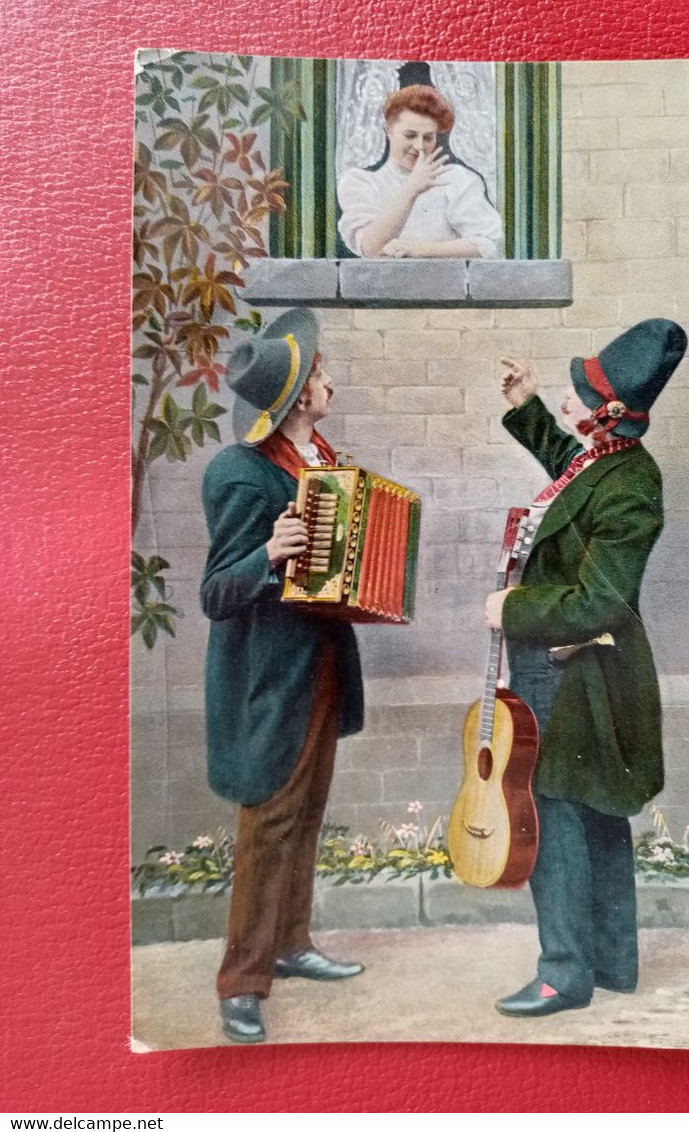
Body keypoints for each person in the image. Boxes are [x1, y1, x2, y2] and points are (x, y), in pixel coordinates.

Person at [485, 319, 687, 1017]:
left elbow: (599, 600)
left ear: (607, 415)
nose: (568, 405)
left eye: (577, 396)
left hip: (577, 672)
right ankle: (611, 964)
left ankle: (562, 975)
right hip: (578, 670)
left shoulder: (631, 484)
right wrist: (527, 406)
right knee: (595, 810)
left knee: (557, 816)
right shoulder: (608, 465)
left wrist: (511, 607)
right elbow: (572, 493)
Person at [200, 308, 365, 1044]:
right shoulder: (238, 471)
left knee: (305, 815)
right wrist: (268, 552)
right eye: (321, 372)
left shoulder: (319, 454)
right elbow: (216, 593)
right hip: (268, 676)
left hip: (320, 661)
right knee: (267, 822)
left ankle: (292, 945)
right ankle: (241, 981)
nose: (329, 379)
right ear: (298, 395)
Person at [337, 84, 503, 259]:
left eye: (428, 138)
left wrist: (418, 250)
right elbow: (370, 248)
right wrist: (411, 188)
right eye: (410, 135)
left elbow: (489, 244)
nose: (419, 146)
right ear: (388, 130)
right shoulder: (360, 182)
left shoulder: (457, 179)